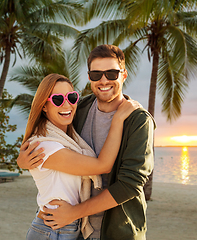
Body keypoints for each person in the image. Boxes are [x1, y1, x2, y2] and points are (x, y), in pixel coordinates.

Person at [18, 44, 155, 240]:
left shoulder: (138, 120)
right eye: (96, 74)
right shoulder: (79, 108)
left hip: (117, 231)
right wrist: (24, 161)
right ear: (89, 76)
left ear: (124, 74)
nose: (104, 80)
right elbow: (50, 134)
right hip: (79, 230)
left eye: (112, 73)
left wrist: (75, 212)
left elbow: (130, 184)